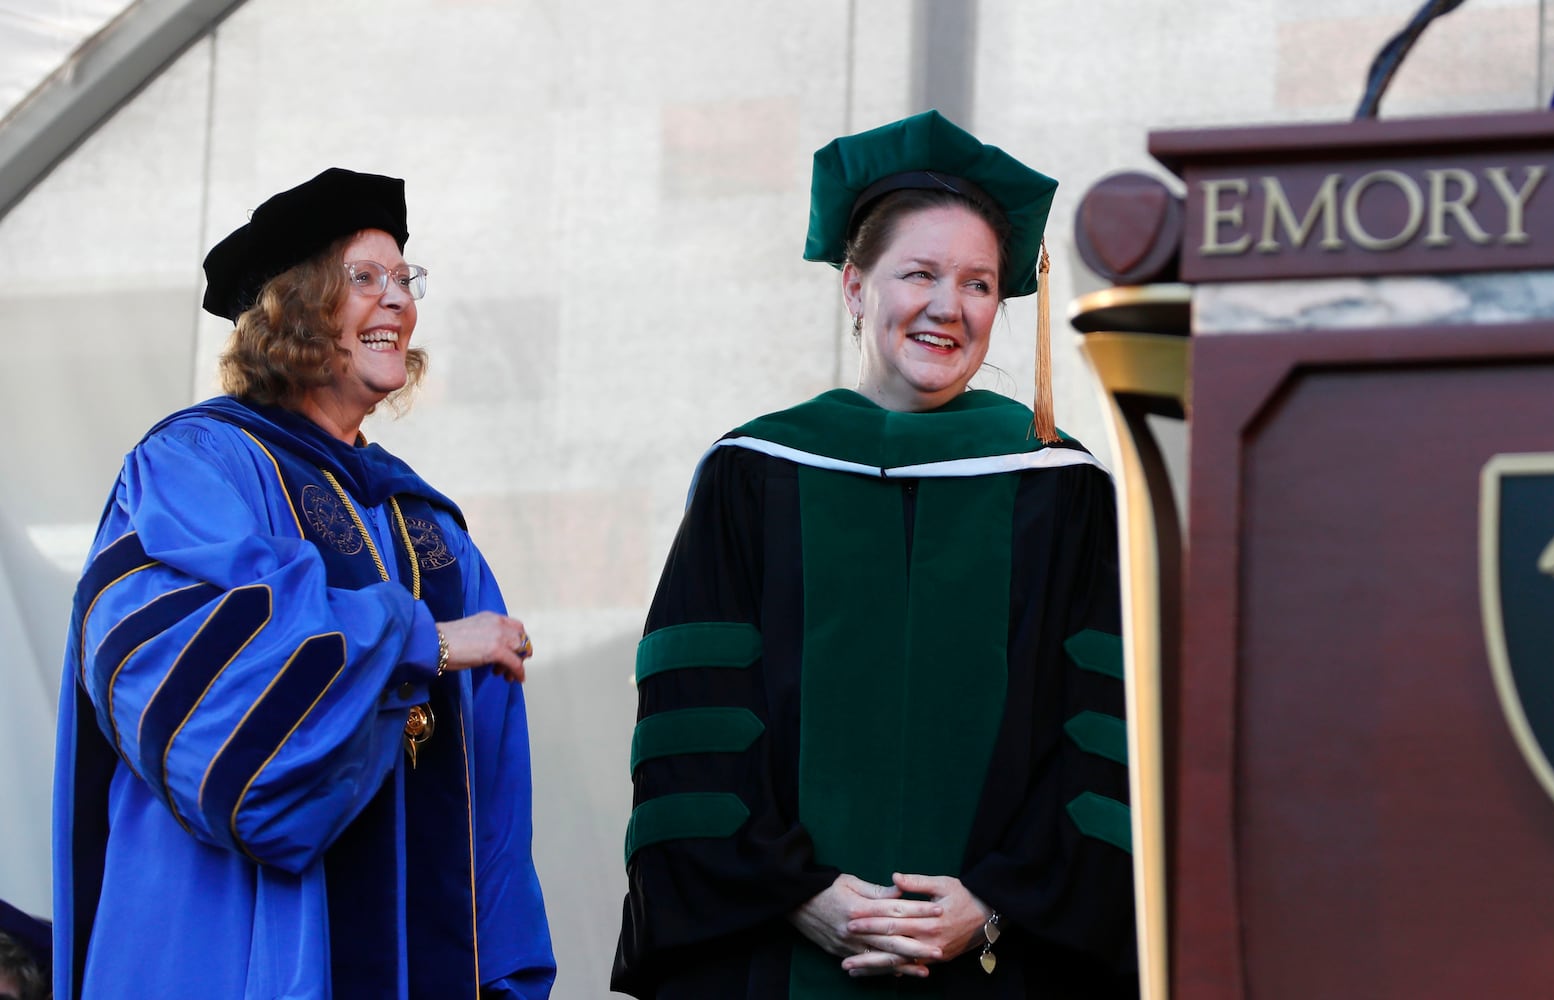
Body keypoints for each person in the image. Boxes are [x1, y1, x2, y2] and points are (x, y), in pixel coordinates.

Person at [612, 111, 1138, 998]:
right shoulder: (755, 473)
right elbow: (694, 716)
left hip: (1001, 959)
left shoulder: (1064, 488)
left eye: (977, 284)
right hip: (776, 954)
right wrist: (798, 891)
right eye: (919, 274)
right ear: (854, 286)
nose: (948, 306)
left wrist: (995, 900)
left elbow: (1103, 732)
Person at [52, 168, 556, 999]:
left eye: (405, 279)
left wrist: (499, 970)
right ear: (293, 309)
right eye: (364, 278)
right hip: (233, 951)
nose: (396, 300)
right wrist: (416, 642)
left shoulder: (429, 531)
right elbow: (213, 717)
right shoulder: (193, 467)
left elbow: (491, 792)